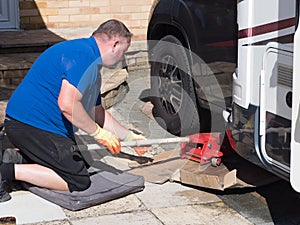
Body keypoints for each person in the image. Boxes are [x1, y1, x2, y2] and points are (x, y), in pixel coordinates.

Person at [0, 19, 147, 201]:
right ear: (115, 44)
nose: (122, 57)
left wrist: (129, 137)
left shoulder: (84, 55)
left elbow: (98, 113)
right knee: (77, 180)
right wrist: (97, 133)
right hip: (30, 126)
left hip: (28, 125)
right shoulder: (83, 57)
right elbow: (67, 105)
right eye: (124, 51)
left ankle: (18, 158)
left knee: (83, 161)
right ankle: (5, 170)